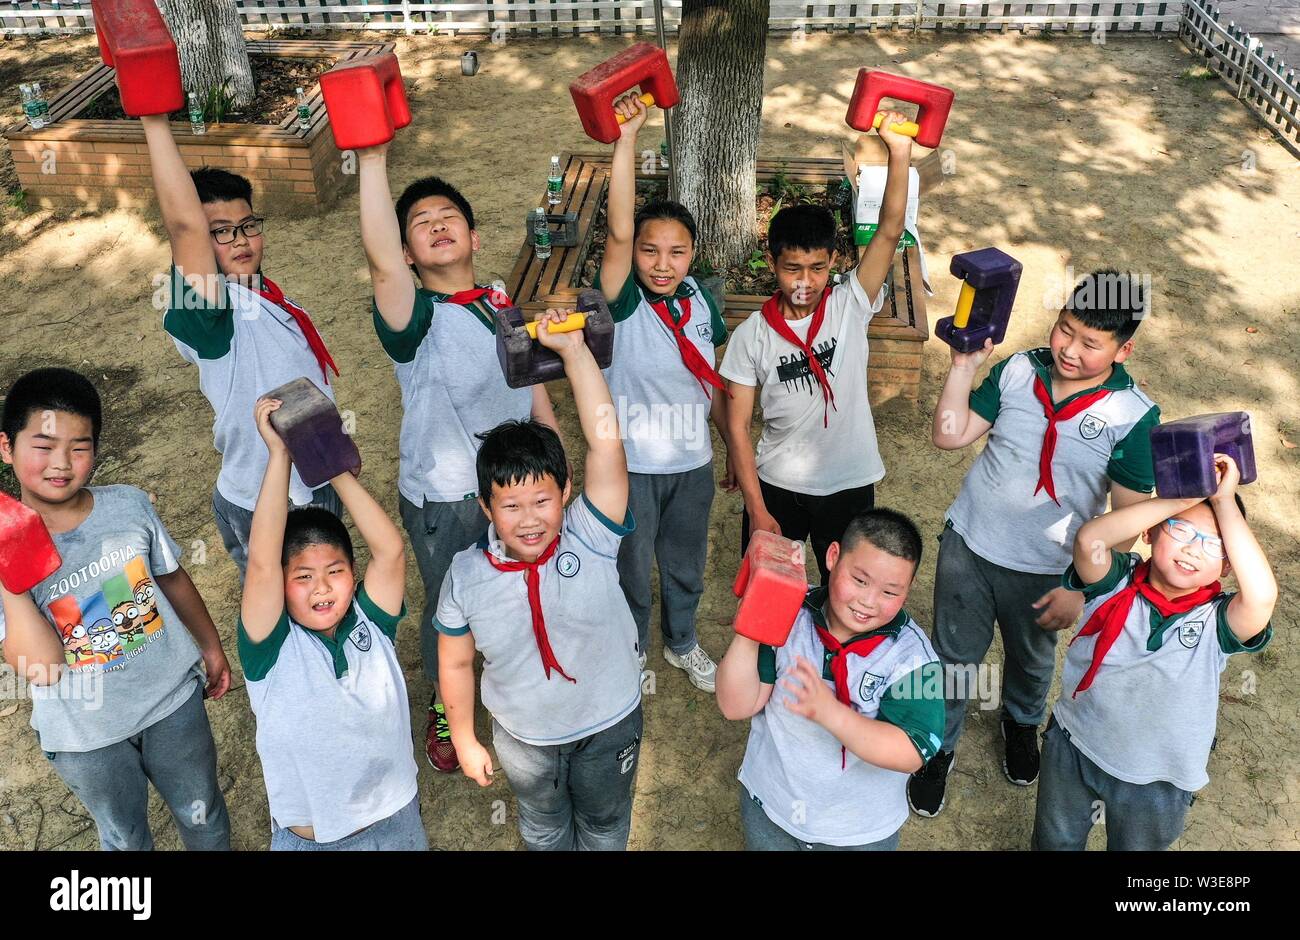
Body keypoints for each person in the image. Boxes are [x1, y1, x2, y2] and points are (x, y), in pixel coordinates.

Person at [0, 368, 231, 850]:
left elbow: (170, 577)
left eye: (79, 446)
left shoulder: (127, 505)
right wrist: (9, 567)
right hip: (88, 737)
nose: (61, 463)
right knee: (125, 837)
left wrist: (209, 645)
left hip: (171, 702)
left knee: (203, 813)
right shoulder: (3, 556)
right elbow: (41, 668)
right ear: (7, 447)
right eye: (42, 446)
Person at [438, 310, 642, 850]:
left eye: (542, 500)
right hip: (525, 743)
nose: (529, 519)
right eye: (510, 505)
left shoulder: (590, 537)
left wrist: (574, 353)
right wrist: (463, 737)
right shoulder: (465, 578)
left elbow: (606, 444)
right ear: (485, 507)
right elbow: (456, 661)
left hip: (610, 725)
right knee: (544, 830)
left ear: (568, 490)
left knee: (604, 826)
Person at [1033, 453, 1274, 850]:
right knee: (1055, 841)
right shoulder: (1113, 580)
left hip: (1157, 779)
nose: (1194, 549)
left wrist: (1225, 503)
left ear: (1228, 566)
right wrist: (1182, 498)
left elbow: (1263, 598)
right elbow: (1089, 539)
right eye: (1180, 530)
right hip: (1075, 744)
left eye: (1214, 545)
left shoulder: (1218, 621)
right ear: (1149, 532)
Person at [237, 396, 424, 850]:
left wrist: (330, 463)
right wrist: (281, 455)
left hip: (398, 824)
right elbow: (262, 563)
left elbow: (390, 550)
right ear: (281, 586)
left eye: (334, 572)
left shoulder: (372, 625)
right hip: (317, 841)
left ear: (354, 576)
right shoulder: (270, 648)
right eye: (303, 577)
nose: (322, 588)